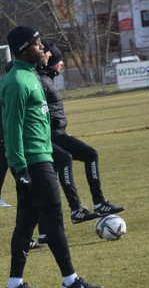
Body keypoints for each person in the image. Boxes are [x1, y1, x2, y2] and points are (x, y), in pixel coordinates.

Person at [0, 25, 104, 288]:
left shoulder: (28, 76)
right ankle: (70, 280)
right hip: (34, 162)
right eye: (37, 44)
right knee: (54, 220)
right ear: (22, 49)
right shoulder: (18, 82)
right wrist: (19, 168)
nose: (42, 47)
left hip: (38, 156)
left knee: (25, 224)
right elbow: (12, 127)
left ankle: (15, 285)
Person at [39, 42, 125, 220]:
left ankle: (98, 202)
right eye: (58, 60)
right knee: (66, 161)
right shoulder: (41, 80)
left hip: (59, 133)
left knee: (90, 154)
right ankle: (76, 209)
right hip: (52, 135)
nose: (61, 63)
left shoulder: (48, 79)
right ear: (51, 62)